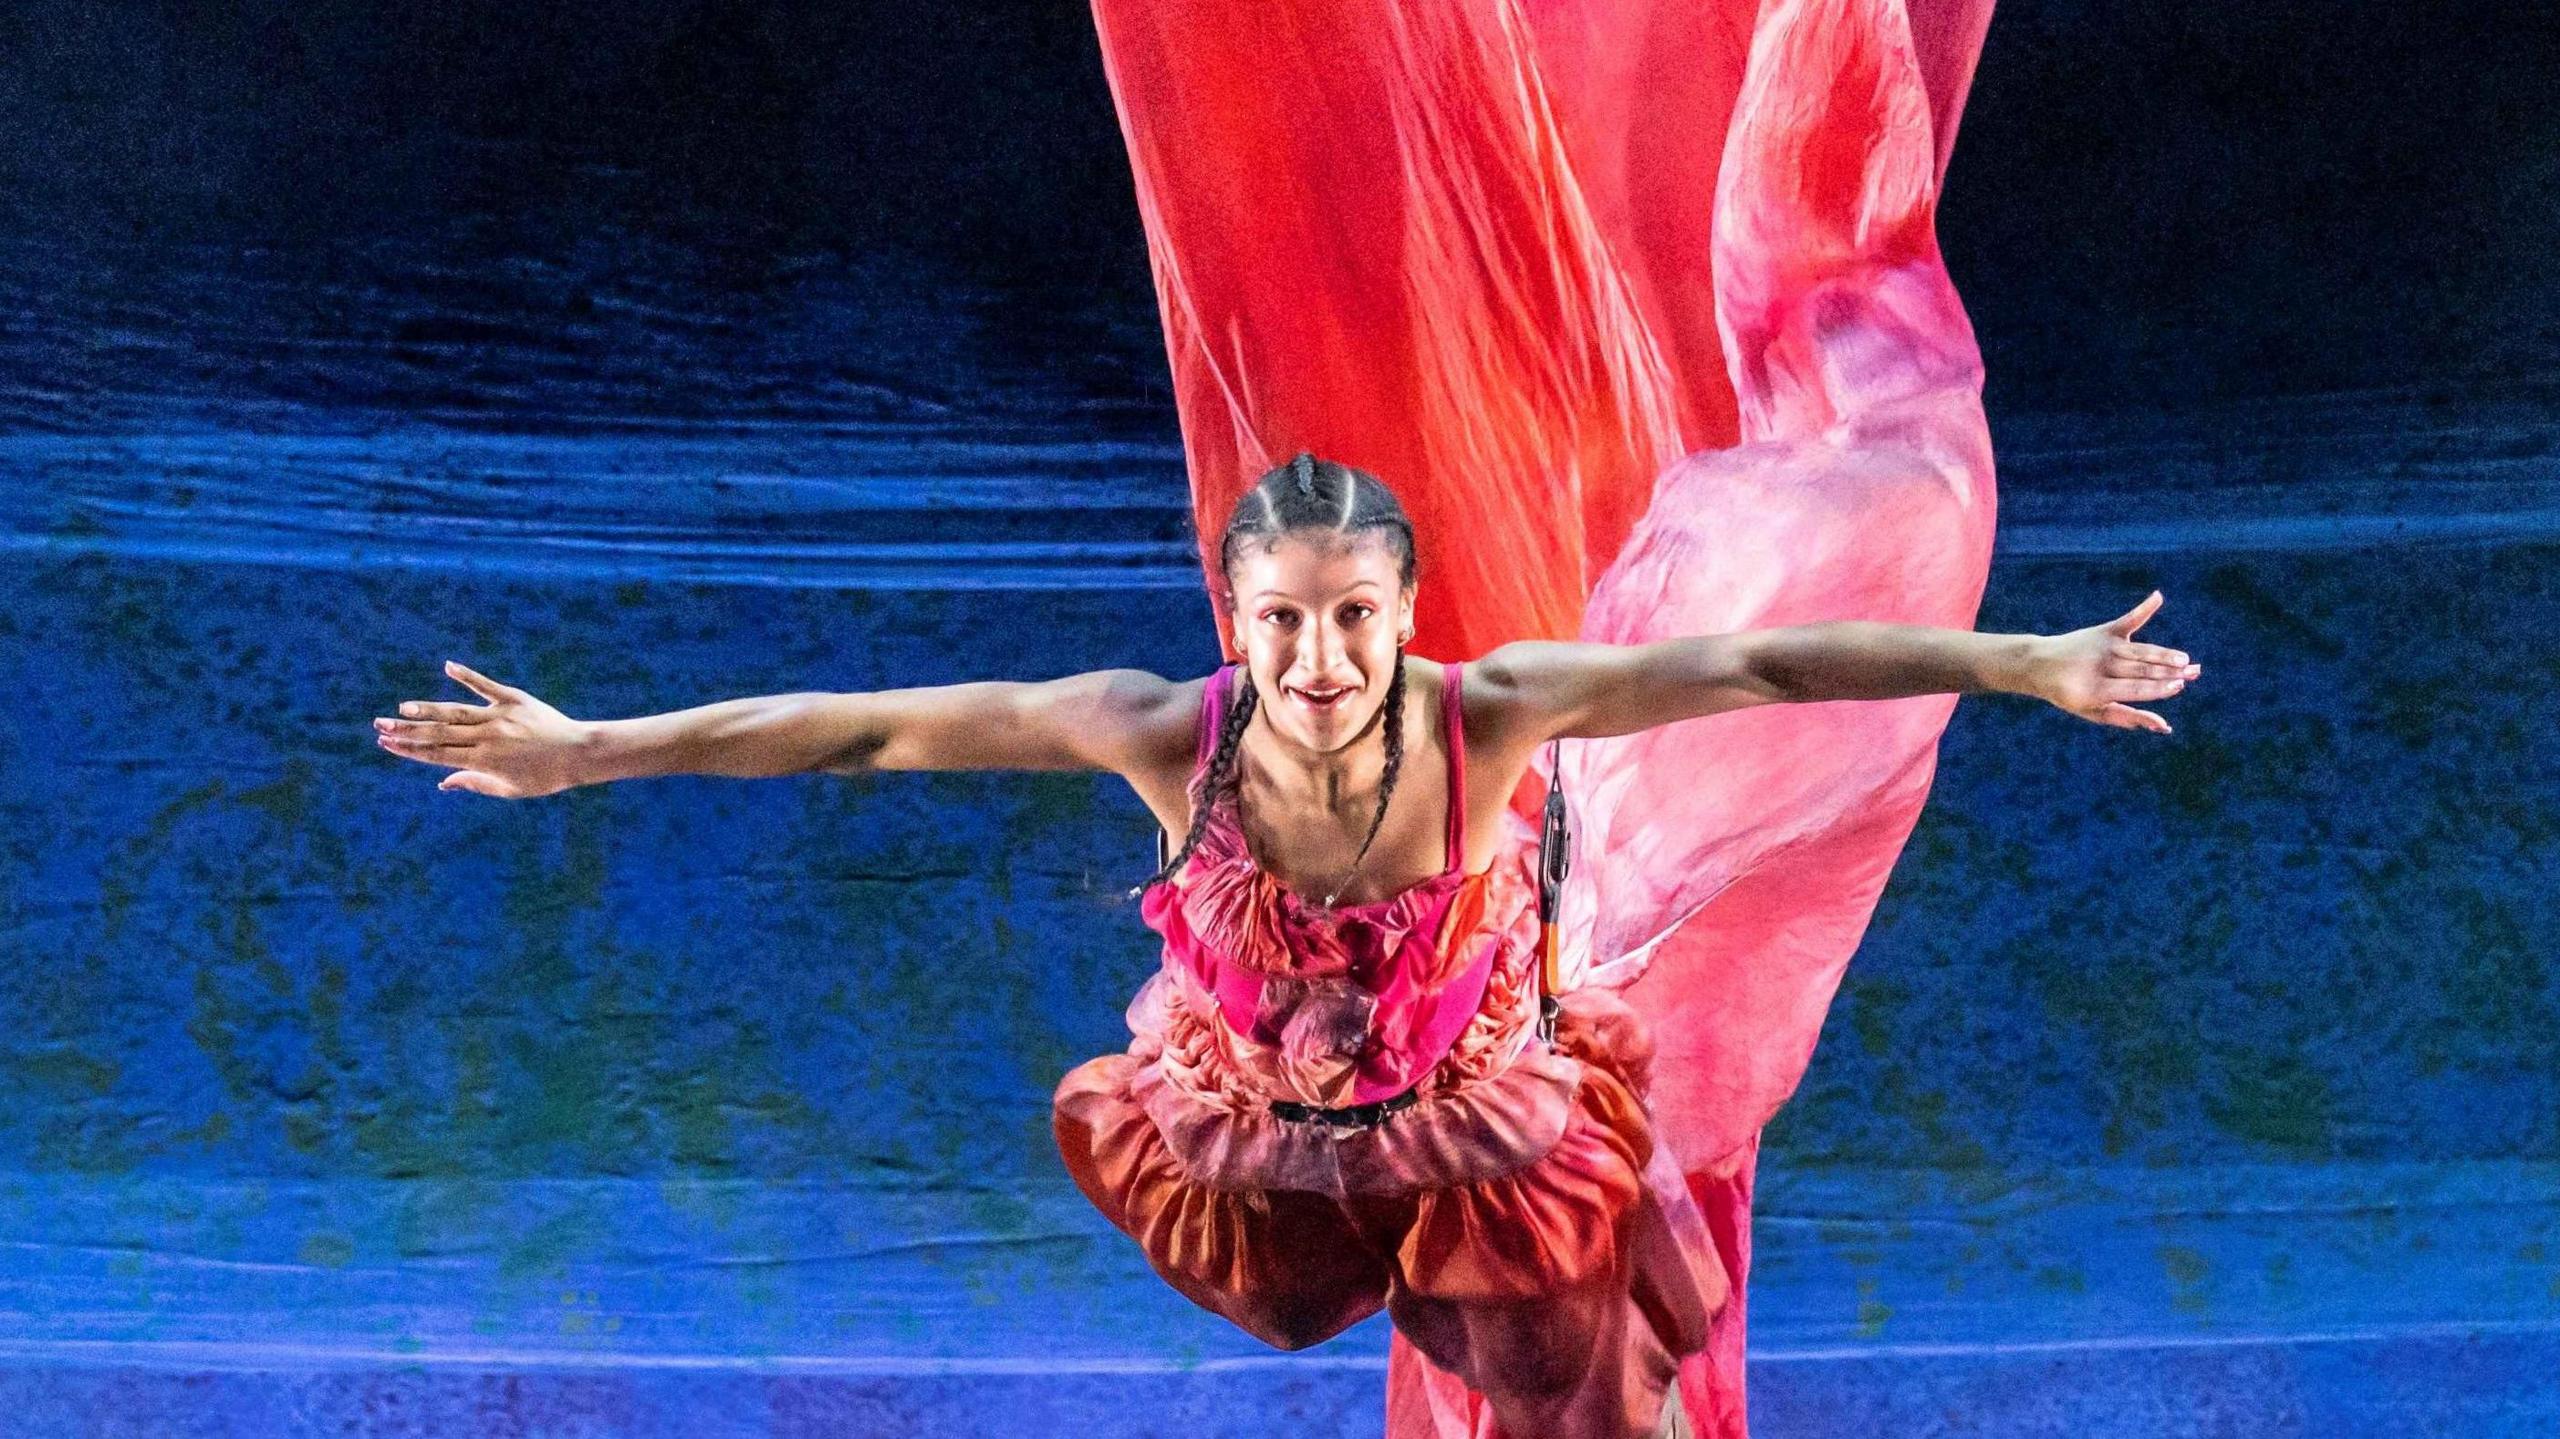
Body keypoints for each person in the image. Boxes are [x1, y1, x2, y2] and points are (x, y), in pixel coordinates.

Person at [368, 454, 2197, 1439]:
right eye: (1284, 625)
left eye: (1354, 621)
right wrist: (590, 747)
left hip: (1477, 1120)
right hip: (1249, 1142)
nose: (1321, 666)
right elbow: (868, 724)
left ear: (1405, 613)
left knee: (1582, 1397)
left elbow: (1758, 665)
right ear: (1234, 623)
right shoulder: (1163, 729)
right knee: (1319, 1296)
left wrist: (2022, 663)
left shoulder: (1491, 715)